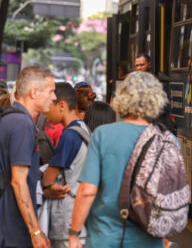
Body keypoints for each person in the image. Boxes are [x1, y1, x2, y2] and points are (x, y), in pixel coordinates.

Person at [69, 72, 166, 248]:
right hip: (150, 239)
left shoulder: (103, 135)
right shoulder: (168, 140)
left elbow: (87, 191)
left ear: (121, 99)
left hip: (106, 238)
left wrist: (74, 233)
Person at [0, 66, 61, 248]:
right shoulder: (21, 124)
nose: (54, 98)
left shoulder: (12, 120)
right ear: (34, 92)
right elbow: (18, 182)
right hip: (12, 231)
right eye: (51, 91)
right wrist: (35, 231)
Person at [42, 82, 91, 248]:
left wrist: (46, 186)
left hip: (65, 220)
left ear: (61, 106)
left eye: (49, 104)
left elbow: (48, 179)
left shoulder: (69, 136)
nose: (45, 110)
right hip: (79, 215)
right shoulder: (83, 128)